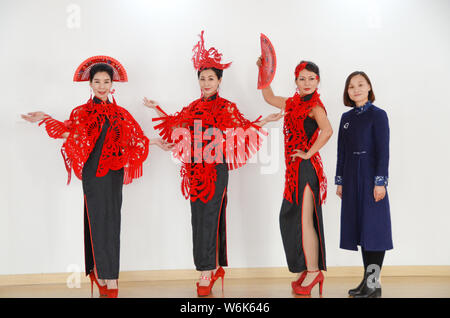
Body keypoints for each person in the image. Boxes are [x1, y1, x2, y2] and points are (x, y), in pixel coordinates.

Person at [144, 31, 281, 297]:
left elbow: (244, 128)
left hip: (216, 169)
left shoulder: (227, 107)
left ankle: (206, 272)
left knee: (211, 215)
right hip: (194, 170)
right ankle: (213, 266)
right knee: (198, 218)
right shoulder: (193, 106)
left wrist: (266, 121)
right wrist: (157, 109)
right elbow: (175, 124)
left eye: (211, 78)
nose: (206, 82)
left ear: (220, 81)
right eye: (202, 78)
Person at [21, 56, 172, 298]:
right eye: (97, 81)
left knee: (112, 222)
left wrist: (155, 142)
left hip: (114, 173)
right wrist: (45, 117)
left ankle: (108, 276)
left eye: (106, 81)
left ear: (112, 85)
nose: (102, 86)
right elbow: (68, 133)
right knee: (97, 221)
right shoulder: (81, 113)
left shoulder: (121, 114)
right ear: (90, 84)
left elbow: (134, 140)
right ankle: (105, 277)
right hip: (93, 175)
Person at [257, 58, 333, 296]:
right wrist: (263, 71)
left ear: (318, 81)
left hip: (307, 170)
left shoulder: (315, 107)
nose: (307, 82)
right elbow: (269, 97)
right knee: (291, 218)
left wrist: (308, 153)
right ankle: (306, 267)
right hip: (294, 172)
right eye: (302, 78)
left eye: (312, 78)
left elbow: (328, 130)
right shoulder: (291, 103)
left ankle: (313, 271)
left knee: (304, 220)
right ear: (296, 81)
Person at [335, 71, 393, 298]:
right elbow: (341, 152)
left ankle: (373, 283)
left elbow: (383, 151)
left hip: (370, 178)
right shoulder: (346, 119)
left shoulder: (379, 115)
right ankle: (367, 283)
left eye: (360, 84)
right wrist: (340, 181)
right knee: (361, 230)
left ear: (369, 87)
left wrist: (380, 182)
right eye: (351, 86)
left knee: (374, 231)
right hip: (351, 178)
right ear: (347, 92)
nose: (356, 89)